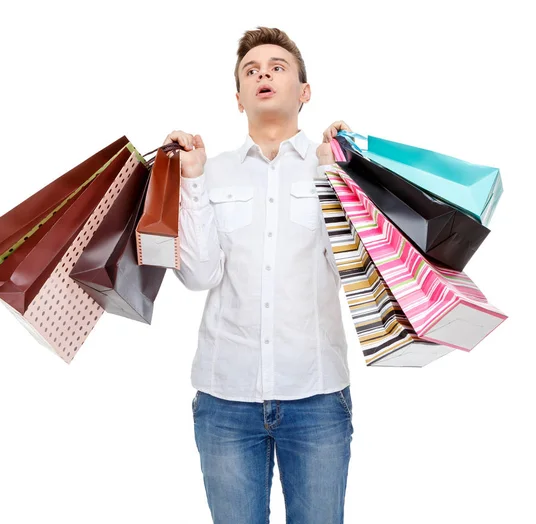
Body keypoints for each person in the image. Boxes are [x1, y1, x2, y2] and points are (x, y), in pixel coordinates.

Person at [166, 26, 354, 524]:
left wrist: (339, 174)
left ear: (304, 91)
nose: (263, 74)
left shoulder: (330, 166)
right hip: (225, 399)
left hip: (316, 397)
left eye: (277, 67)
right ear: (239, 97)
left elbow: (349, 269)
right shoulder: (212, 171)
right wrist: (188, 178)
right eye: (251, 71)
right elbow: (199, 275)